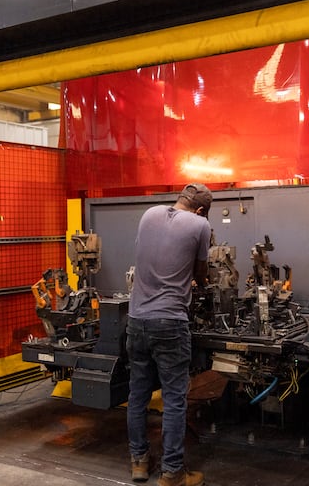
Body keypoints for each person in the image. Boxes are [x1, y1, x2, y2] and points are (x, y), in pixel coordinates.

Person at [127, 183, 212, 486]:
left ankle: (138, 462)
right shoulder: (201, 224)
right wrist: (197, 283)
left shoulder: (149, 213)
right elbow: (201, 274)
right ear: (200, 209)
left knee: (138, 395)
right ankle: (172, 473)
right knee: (175, 400)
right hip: (170, 323)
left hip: (136, 320)